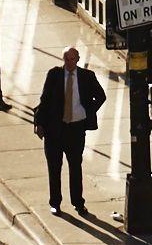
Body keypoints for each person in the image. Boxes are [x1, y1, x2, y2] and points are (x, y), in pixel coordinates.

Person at [31, 46, 106, 219]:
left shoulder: (87, 77)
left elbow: (101, 96)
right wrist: (39, 123)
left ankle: (78, 203)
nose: (69, 62)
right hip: (55, 130)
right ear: (63, 59)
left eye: (72, 59)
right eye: (66, 59)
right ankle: (55, 203)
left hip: (76, 129)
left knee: (75, 167)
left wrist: (87, 111)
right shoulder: (54, 75)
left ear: (78, 59)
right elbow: (44, 99)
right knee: (54, 168)